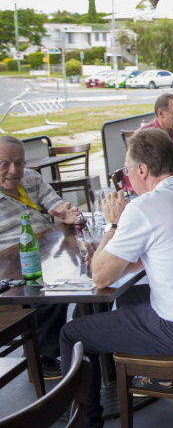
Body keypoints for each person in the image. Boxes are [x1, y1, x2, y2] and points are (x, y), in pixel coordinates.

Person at [58, 129, 173, 428]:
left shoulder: (143, 209)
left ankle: (85, 423)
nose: (127, 177)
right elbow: (168, 249)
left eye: (127, 170)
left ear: (142, 170)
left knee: (72, 334)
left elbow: (100, 277)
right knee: (128, 298)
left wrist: (114, 225)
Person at [0, 136, 81, 380]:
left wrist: (65, 212)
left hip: (46, 247)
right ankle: (43, 356)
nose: (14, 171)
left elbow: (55, 203)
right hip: (9, 264)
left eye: (19, 163)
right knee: (49, 289)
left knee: (81, 274)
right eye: (4, 164)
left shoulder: (31, 178)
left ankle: (80, 332)